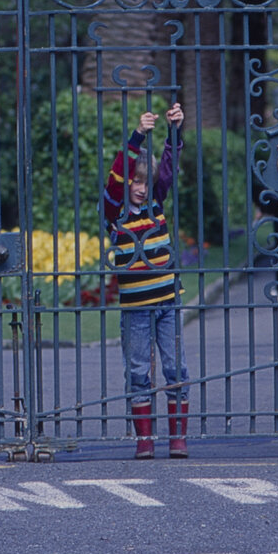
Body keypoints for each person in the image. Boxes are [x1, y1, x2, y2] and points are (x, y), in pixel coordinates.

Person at [102, 101, 189, 458]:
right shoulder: (114, 211)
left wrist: (173, 131)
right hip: (135, 306)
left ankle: (178, 439)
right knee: (139, 371)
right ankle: (144, 441)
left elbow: (169, 167)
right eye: (135, 182)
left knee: (175, 367)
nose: (140, 188)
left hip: (167, 301)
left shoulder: (156, 203)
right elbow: (116, 176)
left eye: (145, 182)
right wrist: (138, 135)